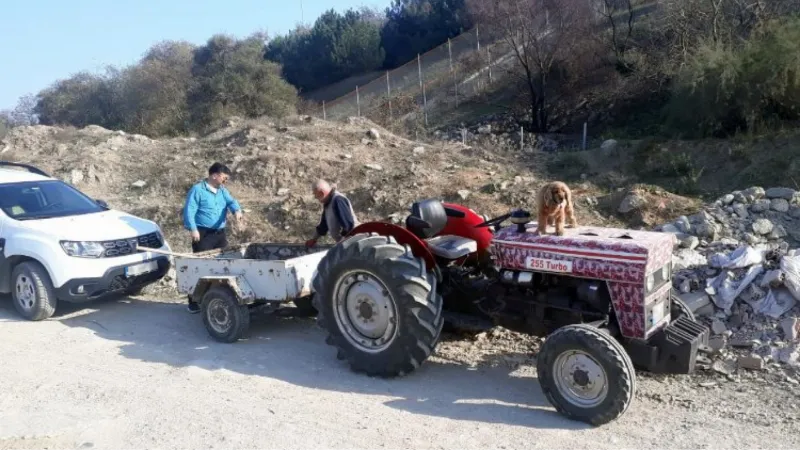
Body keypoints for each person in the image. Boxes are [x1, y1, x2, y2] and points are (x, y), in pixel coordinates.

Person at [183, 162, 245, 313]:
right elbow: (189, 210)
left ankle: (217, 297)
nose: (226, 180)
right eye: (224, 177)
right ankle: (193, 301)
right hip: (203, 235)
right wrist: (193, 229)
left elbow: (231, 202)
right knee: (200, 267)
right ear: (214, 175)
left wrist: (236, 211)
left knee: (222, 265)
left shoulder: (222, 190)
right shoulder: (197, 190)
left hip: (220, 234)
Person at [305, 179, 359, 247]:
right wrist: (314, 239)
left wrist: (342, 245)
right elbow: (323, 226)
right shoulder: (328, 203)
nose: (316, 198)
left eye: (316, 195)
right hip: (347, 242)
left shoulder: (338, 200)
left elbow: (348, 226)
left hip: (355, 241)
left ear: (322, 193)